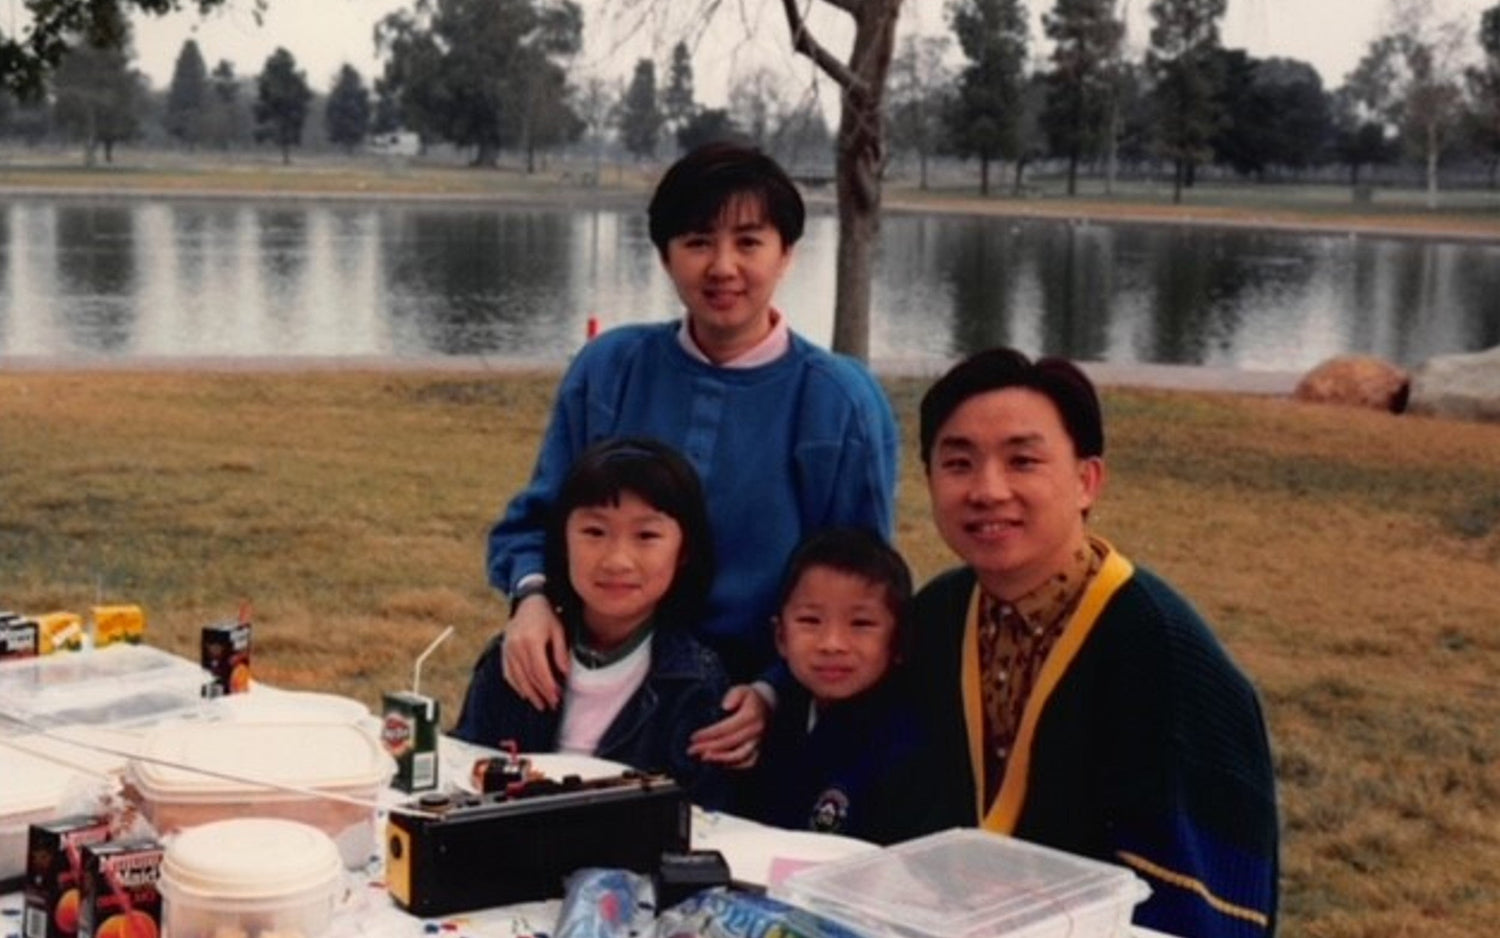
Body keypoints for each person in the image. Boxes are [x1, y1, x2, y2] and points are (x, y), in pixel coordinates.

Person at [486, 141, 899, 767]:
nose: (723, 267)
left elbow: (861, 589)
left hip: (746, 715)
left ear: (786, 253)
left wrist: (774, 691)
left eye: (749, 242)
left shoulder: (839, 402)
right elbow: (536, 520)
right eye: (698, 241)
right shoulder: (610, 369)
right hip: (596, 683)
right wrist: (533, 598)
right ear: (665, 255)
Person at [907, 348, 1279, 938]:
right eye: (958, 464)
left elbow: (1203, 895)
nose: (987, 490)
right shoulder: (936, 615)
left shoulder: (1165, 651)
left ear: (1086, 480)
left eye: (1023, 461)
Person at [454, 438, 730, 807]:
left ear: (684, 552)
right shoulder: (516, 657)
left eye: (646, 536)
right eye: (594, 532)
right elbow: (463, 772)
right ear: (562, 541)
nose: (617, 560)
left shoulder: (694, 684)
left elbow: (697, 819)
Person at [745, 527, 933, 846]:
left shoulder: (904, 745)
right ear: (780, 637)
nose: (832, 644)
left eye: (861, 624)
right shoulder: (778, 717)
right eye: (810, 621)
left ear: (899, 641)